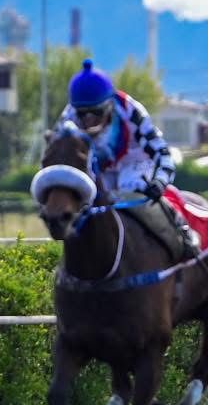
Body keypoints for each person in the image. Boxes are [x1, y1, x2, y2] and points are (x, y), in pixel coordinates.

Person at [60, 59, 198, 258]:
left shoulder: (130, 110)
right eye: (82, 114)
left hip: (134, 161)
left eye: (96, 112)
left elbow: (162, 153)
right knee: (88, 200)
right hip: (99, 167)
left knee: (129, 190)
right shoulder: (69, 118)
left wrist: (159, 182)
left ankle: (182, 235)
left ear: (110, 104)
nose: (88, 120)